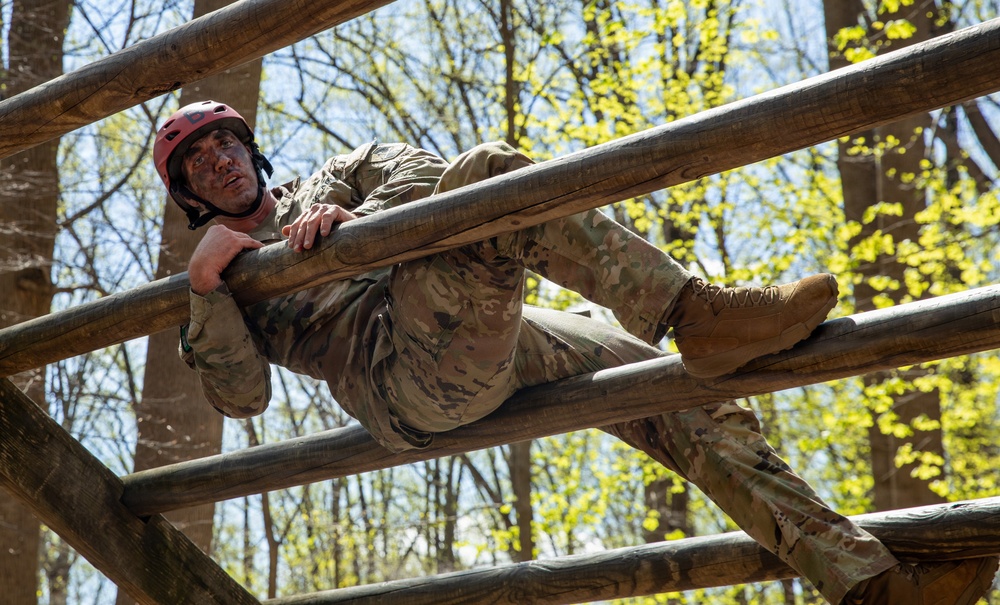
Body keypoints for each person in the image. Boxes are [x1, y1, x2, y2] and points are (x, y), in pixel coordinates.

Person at [154, 100, 997, 604]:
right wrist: (204, 290)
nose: (218, 159)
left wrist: (347, 221)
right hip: (401, 381)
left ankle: (869, 584)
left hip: (489, 331)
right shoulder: (223, 275)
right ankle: (691, 309)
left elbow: (423, 173)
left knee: (673, 388)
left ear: (251, 147)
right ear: (191, 195)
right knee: (496, 170)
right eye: (197, 162)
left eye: (225, 142)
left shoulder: (340, 176)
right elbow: (241, 399)